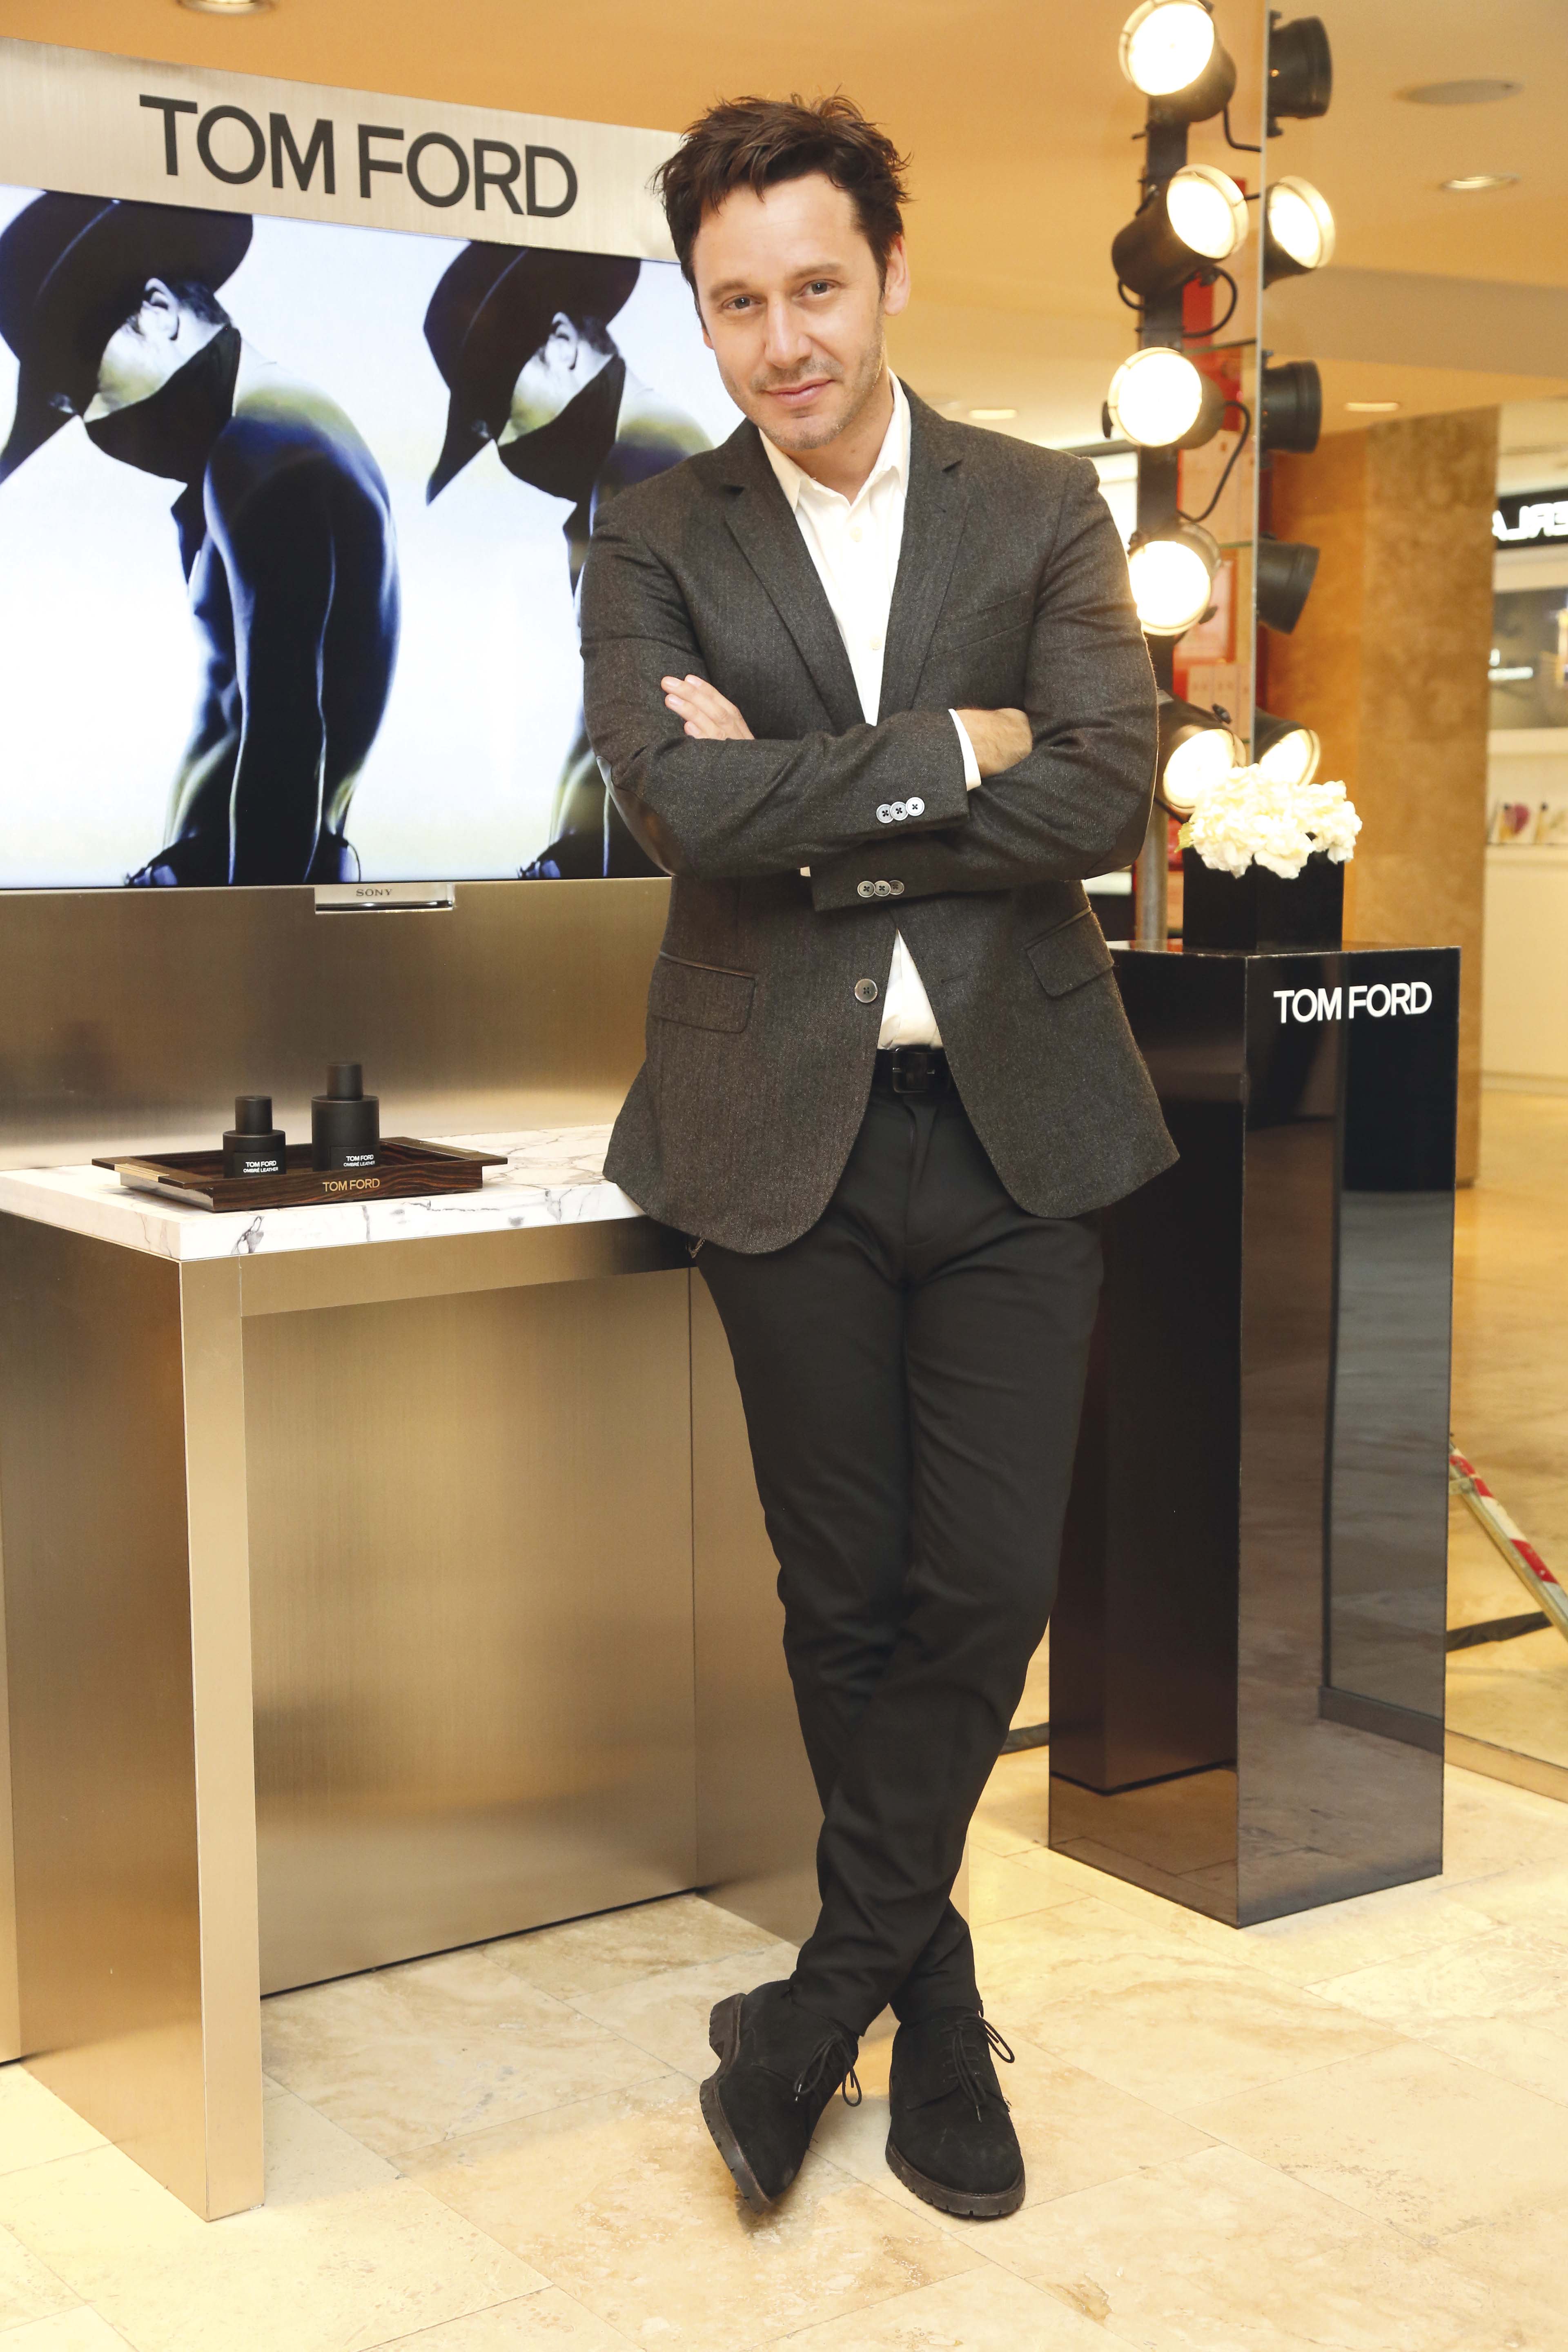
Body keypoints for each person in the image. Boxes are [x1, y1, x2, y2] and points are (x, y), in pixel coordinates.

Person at [580, 94, 1175, 2222]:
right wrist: (946, 754)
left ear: (892, 274)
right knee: (841, 1600)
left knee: (986, 1586)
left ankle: (818, 2007)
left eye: (817, 288)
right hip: (776, 1138)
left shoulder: (1039, 505)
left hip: (1021, 1127)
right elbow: (677, 810)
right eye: (736, 304)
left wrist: (811, 801)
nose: (783, 342)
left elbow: (1102, 794)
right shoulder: (653, 532)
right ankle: (935, 2021)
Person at [0, 193, 399, 886]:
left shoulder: (259, 448)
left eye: (89, 384)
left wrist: (250, 927)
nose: (97, 423)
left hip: (245, 888)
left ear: (158, 311)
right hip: (249, 880)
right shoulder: (293, 425)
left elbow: (284, 732)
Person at [423, 242, 709, 877]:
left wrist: (590, 881)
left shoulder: (641, 471)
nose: (510, 444)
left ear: (561, 343)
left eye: (501, 411)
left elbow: (643, 734)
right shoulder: (655, 458)